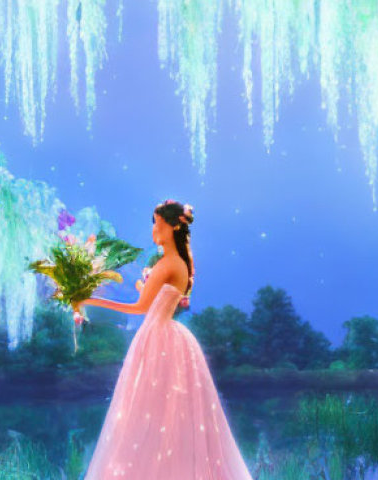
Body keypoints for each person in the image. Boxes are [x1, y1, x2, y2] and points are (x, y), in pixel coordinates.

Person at [75, 200, 254, 479]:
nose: (154, 230)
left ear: (172, 227)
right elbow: (160, 297)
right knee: (170, 415)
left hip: (156, 338)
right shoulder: (180, 264)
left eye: (157, 224)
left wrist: (92, 299)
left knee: (148, 410)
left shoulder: (168, 263)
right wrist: (144, 286)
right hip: (172, 337)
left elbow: (139, 308)